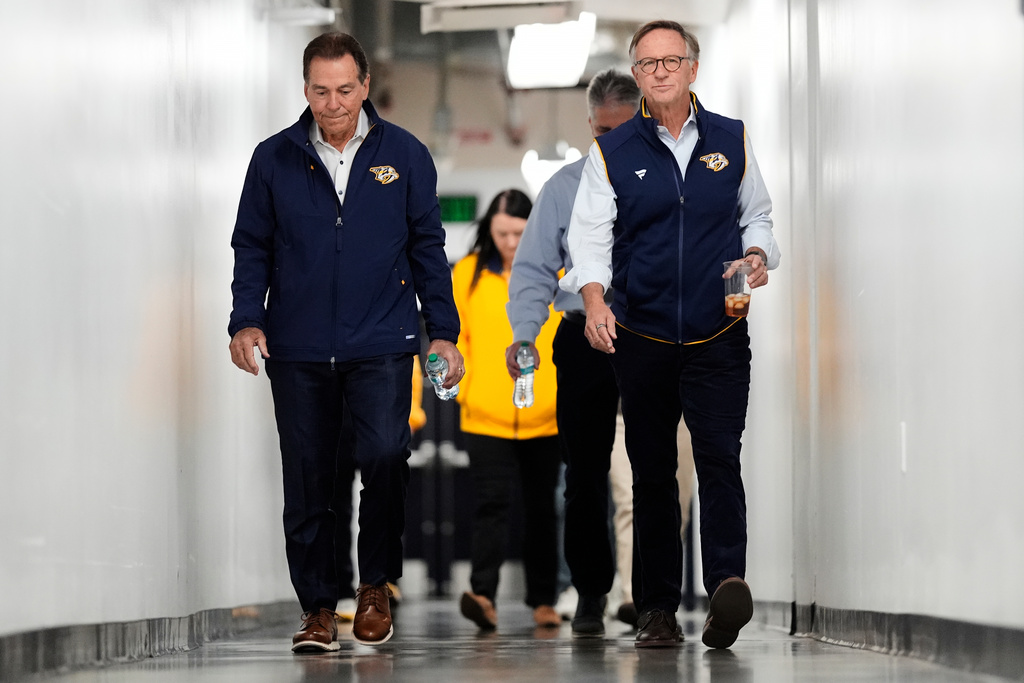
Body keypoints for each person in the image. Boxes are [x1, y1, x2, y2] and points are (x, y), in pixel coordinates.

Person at [228, 31, 463, 651]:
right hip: (298, 347)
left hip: (382, 340)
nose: (333, 103)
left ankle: (375, 585)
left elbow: (428, 248)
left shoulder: (405, 154)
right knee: (310, 480)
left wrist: (443, 332)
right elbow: (251, 246)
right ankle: (318, 607)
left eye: (344, 90)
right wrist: (245, 318)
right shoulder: (272, 158)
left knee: (386, 455)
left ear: (365, 86)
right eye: (320, 90)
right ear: (305, 89)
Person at [559, 20, 780, 649]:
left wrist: (758, 253)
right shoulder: (615, 152)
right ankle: (656, 609)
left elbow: (756, 212)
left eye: (672, 60)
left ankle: (726, 585)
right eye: (648, 62)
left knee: (719, 460)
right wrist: (595, 301)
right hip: (643, 334)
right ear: (636, 74)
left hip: (719, 332)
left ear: (693, 67)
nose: (660, 70)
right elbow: (592, 238)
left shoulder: (731, 140)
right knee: (652, 472)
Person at [504, 69, 640, 638]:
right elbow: (534, 268)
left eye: (623, 129)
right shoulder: (564, 187)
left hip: (648, 337)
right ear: (590, 125)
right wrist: (524, 334)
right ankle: (590, 591)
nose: (611, 141)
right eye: (602, 131)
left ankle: (653, 596)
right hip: (582, 335)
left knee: (649, 470)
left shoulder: (657, 181)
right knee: (583, 474)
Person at [453, 189, 562, 631]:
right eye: (501, 233)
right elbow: (456, 337)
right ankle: (483, 596)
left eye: (518, 232)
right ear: (488, 231)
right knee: (490, 505)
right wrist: (466, 388)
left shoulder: (554, 270)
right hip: (485, 415)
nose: (510, 242)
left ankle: (544, 601)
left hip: (546, 415)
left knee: (541, 510)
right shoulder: (468, 274)